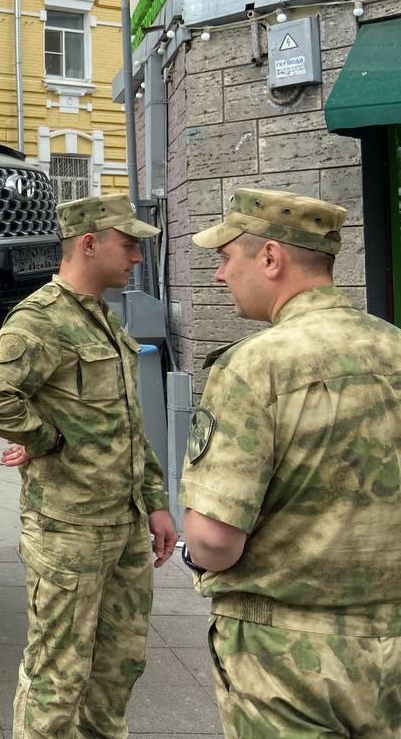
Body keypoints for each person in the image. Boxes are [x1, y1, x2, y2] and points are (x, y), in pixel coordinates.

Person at [181, 189, 401, 737]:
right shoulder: (396, 347)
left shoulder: (255, 366)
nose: (218, 275)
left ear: (271, 258)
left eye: (226, 257)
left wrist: (195, 554)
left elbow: (213, 539)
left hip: (286, 659)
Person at [0, 193, 179, 739]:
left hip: (124, 523)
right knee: (57, 677)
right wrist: (46, 438)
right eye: (127, 245)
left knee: (119, 668)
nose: (135, 257)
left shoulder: (104, 318)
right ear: (89, 243)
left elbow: (130, 424)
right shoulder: (42, 320)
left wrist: (155, 503)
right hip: (68, 528)